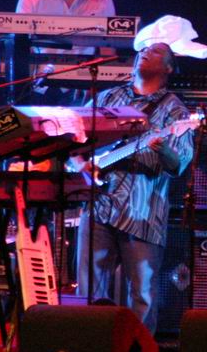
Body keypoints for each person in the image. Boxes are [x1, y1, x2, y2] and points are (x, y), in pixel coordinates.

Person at [75, 42, 194, 333]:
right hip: (99, 204)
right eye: (144, 49)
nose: (145, 52)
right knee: (88, 293)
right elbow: (74, 137)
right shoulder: (108, 97)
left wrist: (163, 148)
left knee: (142, 296)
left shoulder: (176, 112)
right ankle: (88, 351)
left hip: (142, 212)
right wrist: (81, 165)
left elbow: (177, 165)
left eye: (155, 52)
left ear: (168, 68)